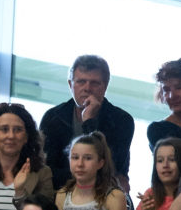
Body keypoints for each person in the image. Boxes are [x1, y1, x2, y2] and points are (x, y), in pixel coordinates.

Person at [40, 54, 134, 192]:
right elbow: (48, 169)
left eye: (95, 83)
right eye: (81, 81)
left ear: (105, 86)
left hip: (102, 195)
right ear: (70, 84)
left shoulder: (122, 120)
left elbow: (108, 167)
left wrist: (89, 123)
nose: (87, 88)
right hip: (58, 193)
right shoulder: (53, 117)